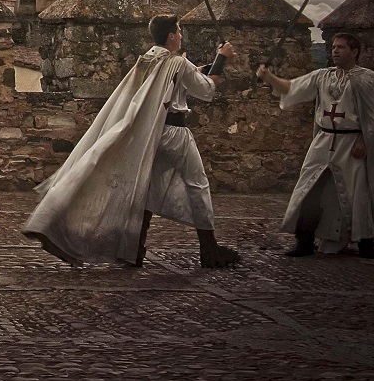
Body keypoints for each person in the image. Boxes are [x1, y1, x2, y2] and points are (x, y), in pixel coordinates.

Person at [24, 15, 240, 268]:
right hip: (173, 133)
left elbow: (178, 78)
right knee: (197, 184)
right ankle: (209, 249)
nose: (181, 35)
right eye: (179, 31)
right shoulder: (175, 63)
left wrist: (201, 67)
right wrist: (222, 58)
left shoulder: (149, 58)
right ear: (171, 35)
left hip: (150, 134)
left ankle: (134, 248)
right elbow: (206, 90)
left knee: (145, 189)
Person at [258, 32, 374, 258]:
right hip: (324, 141)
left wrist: (364, 140)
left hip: (351, 142)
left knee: (357, 192)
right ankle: (304, 240)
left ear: (354, 51)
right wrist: (269, 77)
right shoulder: (322, 76)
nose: (335, 50)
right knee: (309, 190)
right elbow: (292, 88)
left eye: (342, 47)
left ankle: (365, 242)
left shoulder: (367, 78)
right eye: (334, 47)